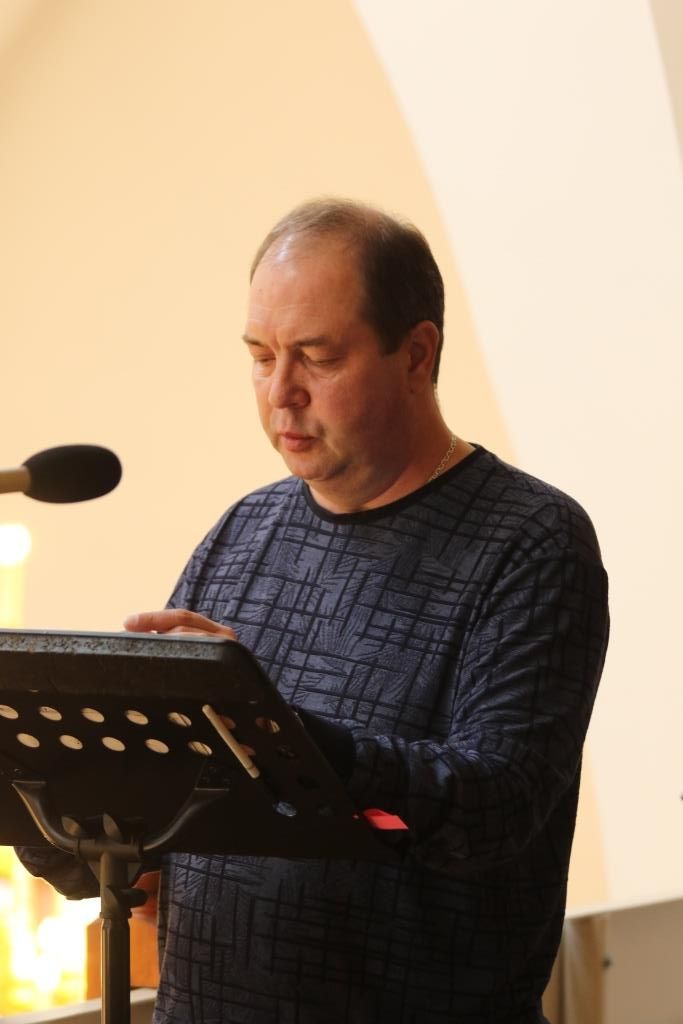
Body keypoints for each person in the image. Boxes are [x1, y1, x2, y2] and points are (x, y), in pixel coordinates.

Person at [19, 198, 609, 1023]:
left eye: (317, 357)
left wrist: (275, 731)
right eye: (260, 356)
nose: (280, 392)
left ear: (417, 353)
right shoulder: (244, 530)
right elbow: (149, 850)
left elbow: (493, 807)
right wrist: (57, 799)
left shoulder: (530, 540)